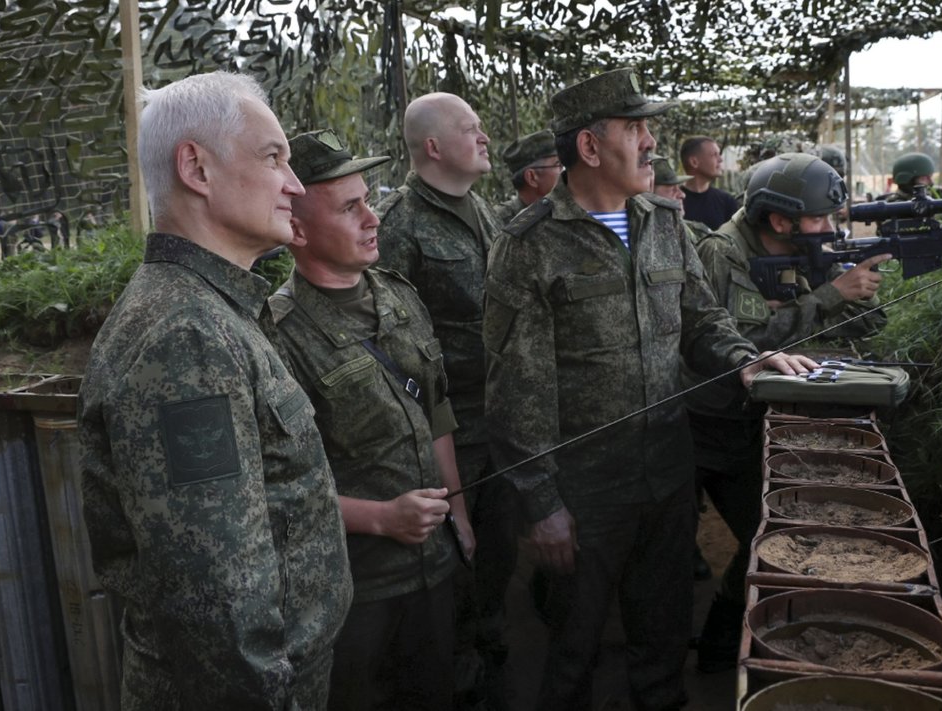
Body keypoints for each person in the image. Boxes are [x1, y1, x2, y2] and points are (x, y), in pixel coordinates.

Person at [483, 68, 817, 710]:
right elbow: (515, 386)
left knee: (662, 637)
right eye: (635, 128)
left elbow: (702, 319)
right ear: (589, 147)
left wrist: (746, 361)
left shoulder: (665, 223)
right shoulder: (528, 247)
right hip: (583, 489)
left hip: (666, 471)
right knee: (574, 649)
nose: (650, 141)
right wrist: (541, 501)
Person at [78, 71, 351, 709]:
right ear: (196, 168)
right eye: (273, 158)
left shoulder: (210, 313)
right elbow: (217, 602)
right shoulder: (185, 339)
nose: (295, 184)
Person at [271, 129, 474, 709]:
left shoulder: (398, 296)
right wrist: (381, 519)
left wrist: (458, 512)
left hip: (434, 562)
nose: (372, 218)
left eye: (369, 199)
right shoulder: (279, 335)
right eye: (349, 207)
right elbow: (273, 487)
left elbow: (435, 411)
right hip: (357, 586)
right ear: (298, 229)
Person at [683, 152, 890, 673]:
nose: (828, 228)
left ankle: (721, 642)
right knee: (669, 555)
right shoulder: (723, 253)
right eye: (820, 219)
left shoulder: (798, 248)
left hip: (751, 420)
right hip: (701, 426)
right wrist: (826, 296)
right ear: (780, 221)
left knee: (766, 534)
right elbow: (746, 346)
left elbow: (869, 325)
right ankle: (689, 659)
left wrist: (847, 287)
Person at [375, 92, 513, 706]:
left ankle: (488, 650)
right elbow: (388, 340)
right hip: (445, 432)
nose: (483, 137)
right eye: (470, 128)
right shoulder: (398, 224)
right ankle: (461, 678)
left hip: (502, 418)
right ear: (433, 147)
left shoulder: (483, 211)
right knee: (453, 565)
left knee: (497, 556)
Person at [495, 129, 562, 225]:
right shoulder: (500, 222)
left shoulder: (566, 211)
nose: (564, 170)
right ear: (532, 177)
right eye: (558, 164)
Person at [679, 135, 738, 229]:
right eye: (714, 154)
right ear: (694, 162)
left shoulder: (727, 201)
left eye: (719, 154)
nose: (720, 159)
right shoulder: (676, 199)